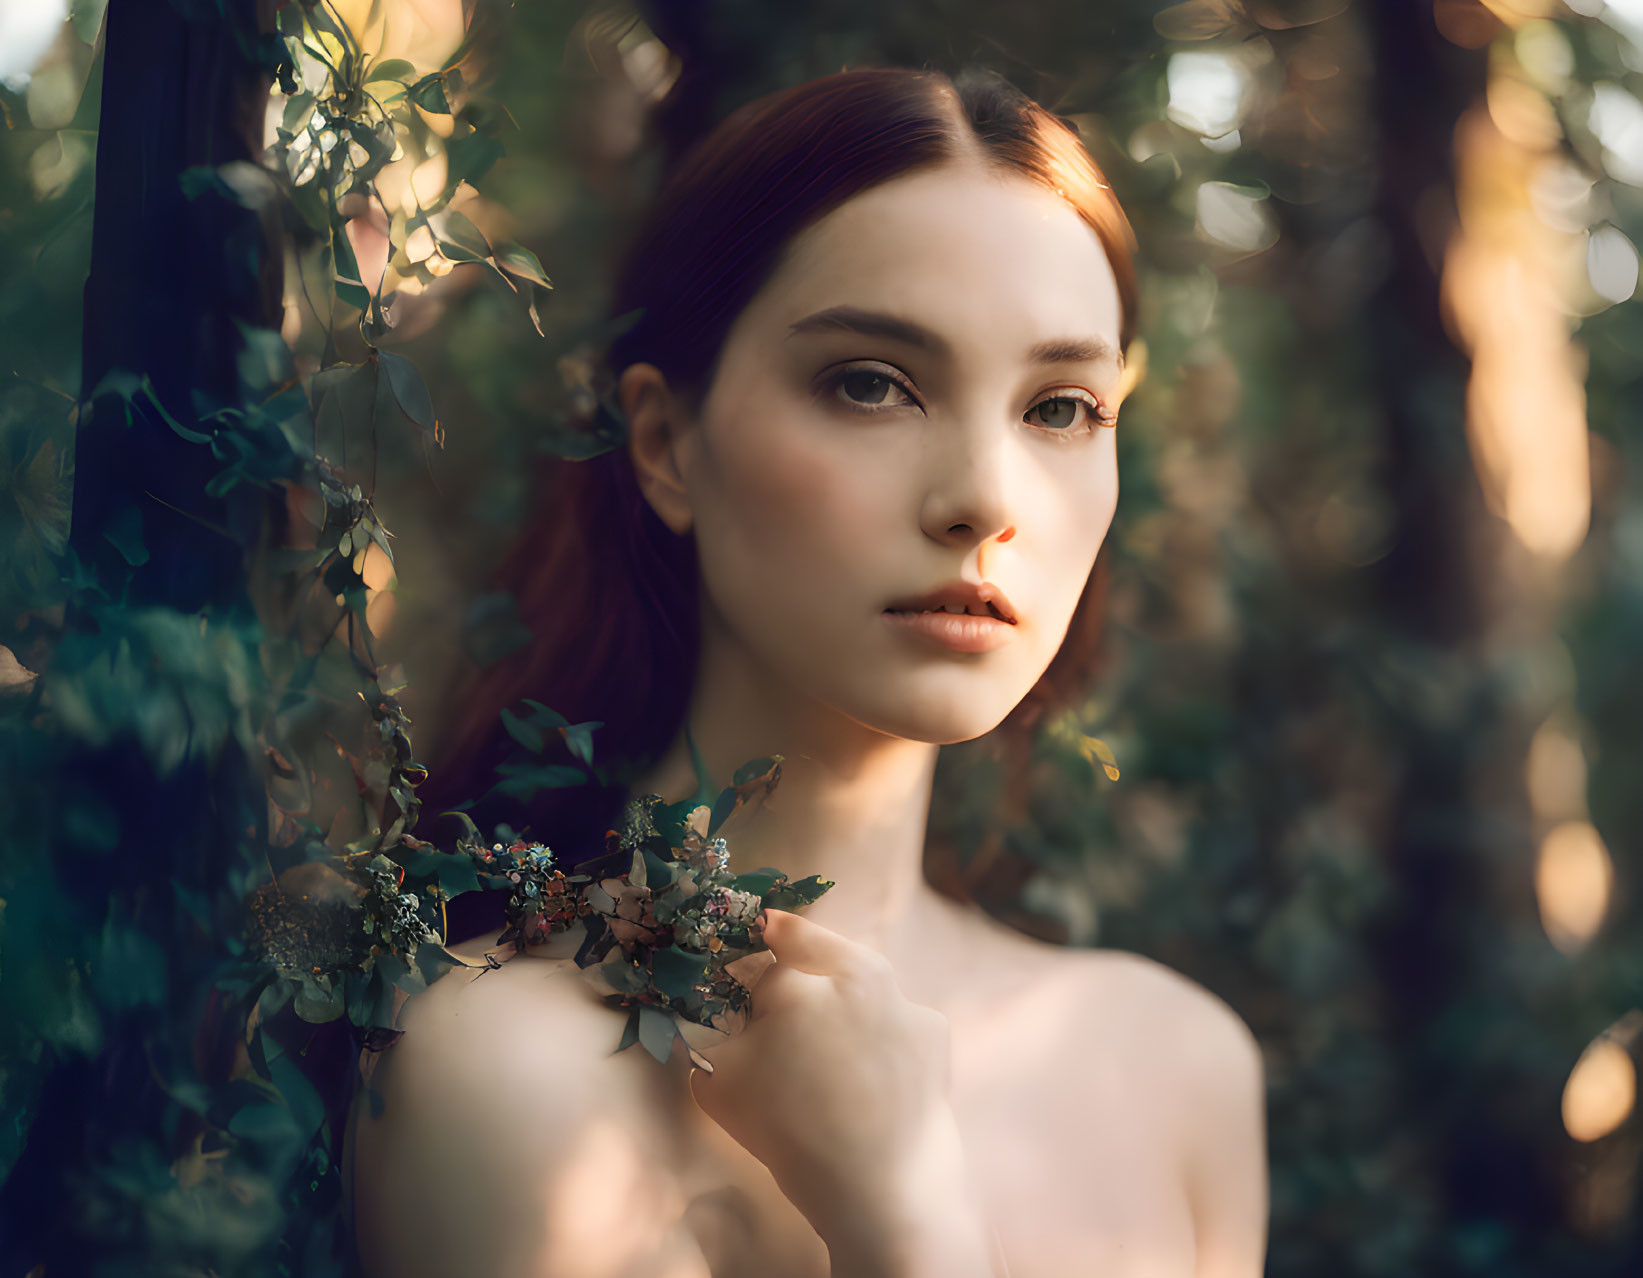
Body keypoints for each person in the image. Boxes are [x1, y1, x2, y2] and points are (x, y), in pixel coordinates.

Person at [345, 64, 1268, 1278]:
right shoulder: (498, 1068)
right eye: (870, 384)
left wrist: (905, 1214)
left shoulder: (1175, 1067)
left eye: (1058, 408)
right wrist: (900, 1226)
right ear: (667, 446)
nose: (985, 499)